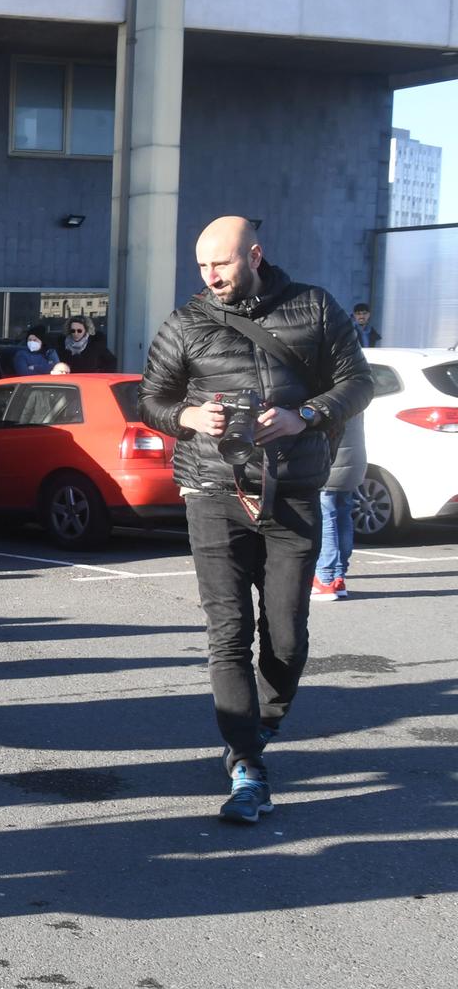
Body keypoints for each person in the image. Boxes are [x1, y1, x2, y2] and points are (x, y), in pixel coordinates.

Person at [140, 215, 371, 825]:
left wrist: (307, 415)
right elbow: (152, 399)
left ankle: (260, 725)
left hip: (293, 490)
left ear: (255, 256)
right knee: (228, 631)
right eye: (202, 267)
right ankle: (245, 762)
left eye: (221, 263)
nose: (211, 276)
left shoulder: (315, 308)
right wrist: (191, 418)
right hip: (214, 490)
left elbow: (358, 383)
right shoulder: (186, 323)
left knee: (289, 635)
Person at [313, 411, 366, 603]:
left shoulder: (327, 390)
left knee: (326, 519)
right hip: (353, 461)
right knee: (343, 516)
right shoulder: (355, 387)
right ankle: (338, 578)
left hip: (329, 462)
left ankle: (324, 580)